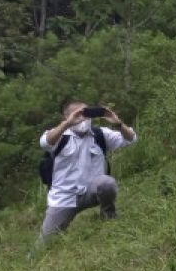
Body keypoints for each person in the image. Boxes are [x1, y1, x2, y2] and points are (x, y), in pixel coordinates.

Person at [39, 101, 137, 240]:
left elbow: (131, 139)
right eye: (77, 115)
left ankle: (108, 215)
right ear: (66, 117)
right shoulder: (59, 137)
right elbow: (46, 142)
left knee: (106, 183)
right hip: (64, 198)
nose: (82, 119)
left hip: (92, 191)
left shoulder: (100, 134)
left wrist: (118, 124)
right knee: (46, 242)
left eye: (85, 113)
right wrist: (68, 123)